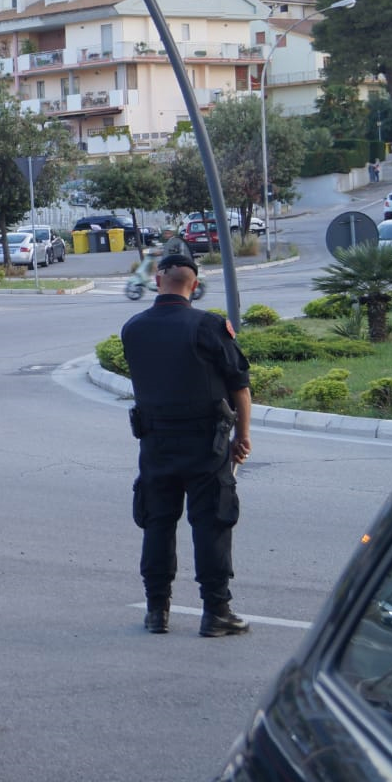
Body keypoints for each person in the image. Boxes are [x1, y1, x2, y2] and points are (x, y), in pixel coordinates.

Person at [120, 253, 252, 637]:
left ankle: (156, 611)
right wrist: (242, 437)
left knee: (157, 524)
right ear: (194, 287)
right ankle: (216, 612)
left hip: (155, 445)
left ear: (157, 282)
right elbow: (239, 387)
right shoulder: (209, 326)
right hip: (205, 446)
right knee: (211, 523)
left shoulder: (133, 329)